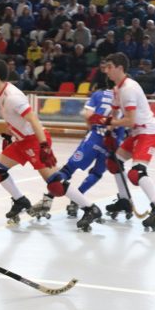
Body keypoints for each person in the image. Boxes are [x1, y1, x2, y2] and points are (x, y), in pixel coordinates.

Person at [0, 59, 104, 230]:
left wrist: (44, 146)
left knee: (56, 184)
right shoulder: (2, 94)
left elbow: (33, 120)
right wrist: (9, 134)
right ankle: (20, 201)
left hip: (34, 140)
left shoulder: (12, 97)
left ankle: (90, 209)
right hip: (22, 141)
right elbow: (15, 119)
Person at [104, 52, 155, 231]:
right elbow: (115, 112)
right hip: (136, 132)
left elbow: (130, 120)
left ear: (120, 68)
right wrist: (108, 127)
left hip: (148, 132)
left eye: (109, 67)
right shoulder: (118, 89)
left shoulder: (128, 89)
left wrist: (110, 123)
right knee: (113, 162)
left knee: (137, 172)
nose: (106, 71)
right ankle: (124, 200)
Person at [50, 88, 125, 218]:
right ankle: (76, 200)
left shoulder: (99, 94)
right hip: (112, 142)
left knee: (68, 169)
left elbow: (88, 115)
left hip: (95, 136)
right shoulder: (126, 99)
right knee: (96, 173)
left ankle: (48, 198)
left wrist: (91, 130)